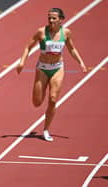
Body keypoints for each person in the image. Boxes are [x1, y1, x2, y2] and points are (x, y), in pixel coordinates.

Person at [16, 8, 87, 141]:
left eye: (54, 18)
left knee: (53, 99)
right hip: (42, 68)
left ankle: (46, 130)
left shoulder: (66, 33)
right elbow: (28, 47)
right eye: (49, 18)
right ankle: (39, 96)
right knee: (37, 102)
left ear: (60, 19)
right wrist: (22, 63)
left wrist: (81, 62)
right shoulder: (41, 32)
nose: (51, 20)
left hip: (57, 68)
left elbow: (72, 48)